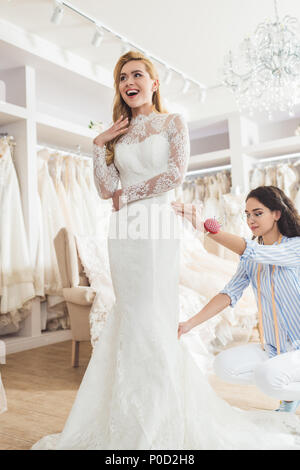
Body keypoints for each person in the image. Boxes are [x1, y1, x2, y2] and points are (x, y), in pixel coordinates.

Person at [32, 54, 300, 450]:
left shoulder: (173, 123)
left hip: (157, 225)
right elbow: (106, 190)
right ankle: (125, 412)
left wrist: (129, 195)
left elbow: (175, 174)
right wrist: (98, 144)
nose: (128, 82)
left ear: (154, 83)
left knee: (151, 315)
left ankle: (161, 413)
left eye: (137, 74)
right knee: (129, 314)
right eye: (122, 77)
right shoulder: (117, 133)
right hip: (122, 230)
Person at [172, 186, 300, 414]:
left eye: (258, 213)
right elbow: (229, 293)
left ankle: (286, 390)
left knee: (267, 377)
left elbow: (250, 250)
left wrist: (205, 227)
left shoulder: (295, 247)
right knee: (224, 366)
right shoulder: (252, 258)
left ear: (277, 214)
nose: (251, 219)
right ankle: (288, 391)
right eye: (247, 214)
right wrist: (189, 324)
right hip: (274, 347)